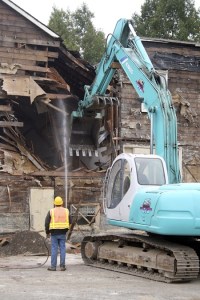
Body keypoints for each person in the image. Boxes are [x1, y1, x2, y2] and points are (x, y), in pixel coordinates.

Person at [45, 196, 70, 271]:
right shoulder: (66, 211)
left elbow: (46, 223)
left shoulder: (51, 211)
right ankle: (62, 266)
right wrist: (66, 229)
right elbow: (70, 221)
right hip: (63, 232)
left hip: (54, 233)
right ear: (62, 203)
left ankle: (53, 267)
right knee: (62, 248)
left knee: (54, 249)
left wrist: (47, 232)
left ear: (54, 203)